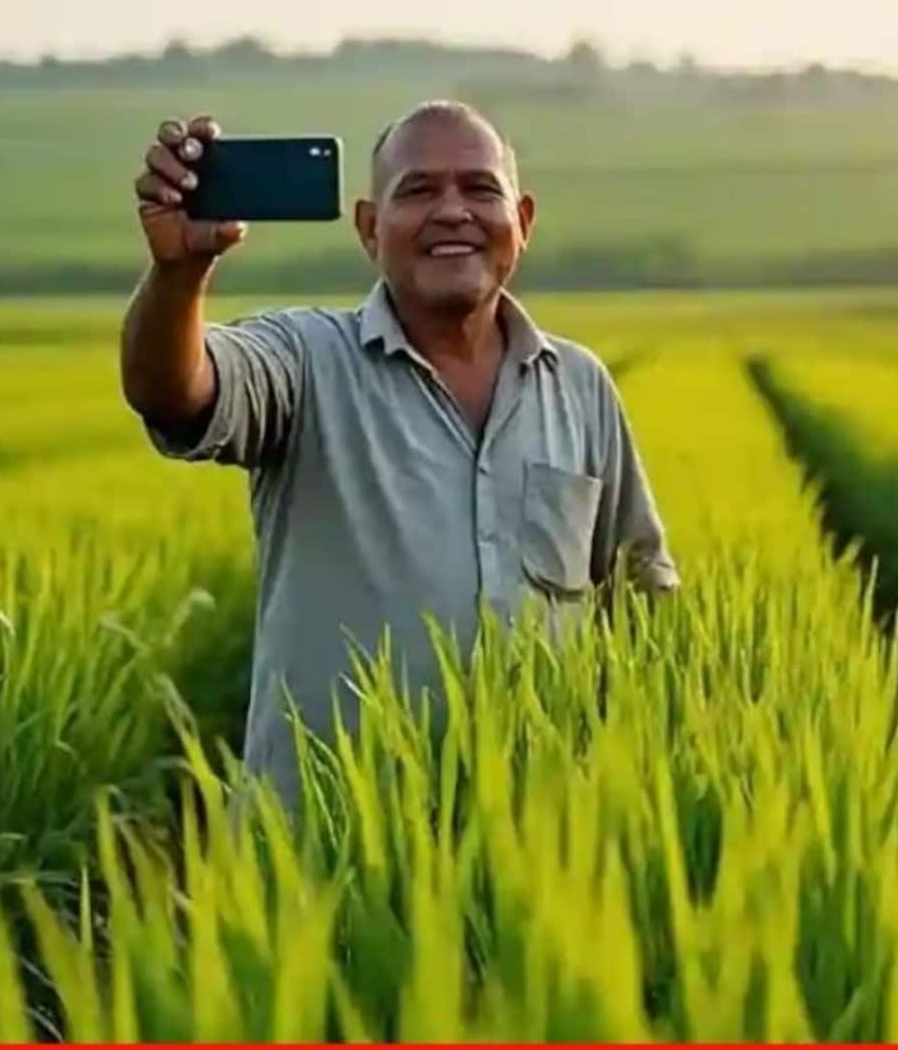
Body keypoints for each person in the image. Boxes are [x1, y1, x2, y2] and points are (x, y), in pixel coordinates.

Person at [120, 100, 677, 806]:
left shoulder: (580, 385)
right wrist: (180, 274)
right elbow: (173, 389)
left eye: (480, 189)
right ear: (368, 227)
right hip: (324, 853)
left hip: (534, 848)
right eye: (417, 190)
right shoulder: (305, 362)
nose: (453, 211)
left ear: (524, 221)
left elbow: (641, 600)